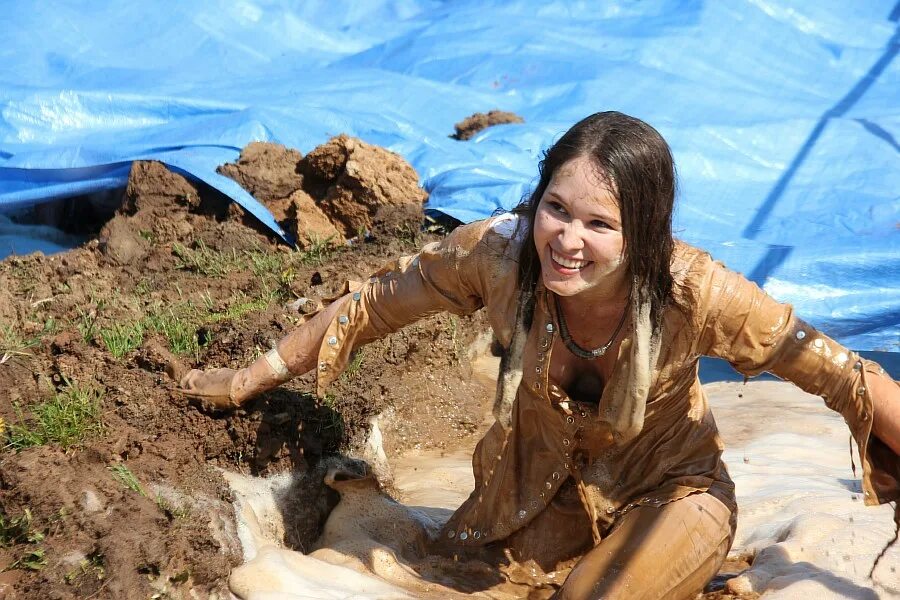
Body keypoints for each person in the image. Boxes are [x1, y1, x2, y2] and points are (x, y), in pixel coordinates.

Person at [178, 112, 900, 599]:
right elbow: (374, 301)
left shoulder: (697, 293)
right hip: (536, 497)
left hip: (675, 493)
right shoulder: (499, 257)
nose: (567, 239)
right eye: (557, 209)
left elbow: (849, 378)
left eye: (599, 224)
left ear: (642, 234)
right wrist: (253, 376)